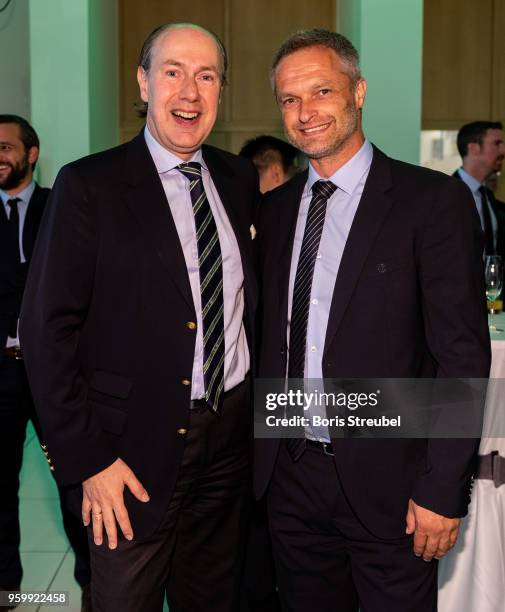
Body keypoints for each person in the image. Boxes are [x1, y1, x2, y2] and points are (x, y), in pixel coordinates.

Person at [20, 23, 258, 612]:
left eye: (206, 76)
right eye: (173, 72)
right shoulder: (89, 185)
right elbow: (45, 332)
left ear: (220, 91)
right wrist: (89, 460)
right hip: (129, 450)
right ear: (144, 81)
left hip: (228, 443)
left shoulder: (238, 178)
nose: (190, 92)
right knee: (126, 598)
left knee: (213, 598)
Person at [254, 29, 490, 611]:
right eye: (289, 99)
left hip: (393, 486)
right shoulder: (276, 211)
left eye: (321, 91)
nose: (305, 112)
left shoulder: (429, 202)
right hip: (291, 478)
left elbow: (460, 357)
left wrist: (442, 489)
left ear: (358, 92)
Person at [0, 115, 92, 612]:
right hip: (0, 374)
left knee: (75, 482)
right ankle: (5, 588)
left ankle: (94, 584)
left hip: (52, 373)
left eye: (6, 146)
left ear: (31, 154)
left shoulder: (63, 203)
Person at [454, 121, 505, 259]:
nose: (503, 151)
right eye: (497, 143)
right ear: (473, 148)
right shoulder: (446, 194)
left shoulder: (488, 196)